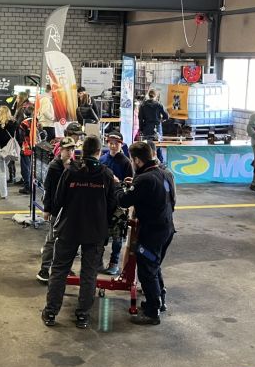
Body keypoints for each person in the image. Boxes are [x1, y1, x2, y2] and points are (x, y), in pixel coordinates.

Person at [42, 136, 118, 329]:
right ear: (99, 152)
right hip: (95, 231)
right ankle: (83, 315)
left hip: (69, 228)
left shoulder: (70, 173)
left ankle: (51, 312)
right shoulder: (106, 174)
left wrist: (50, 211)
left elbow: (58, 199)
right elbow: (112, 204)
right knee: (89, 273)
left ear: (81, 151)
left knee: (59, 270)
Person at [117, 141, 176, 325]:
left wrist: (117, 186)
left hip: (152, 232)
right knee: (155, 264)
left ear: (137, 160)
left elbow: (124, 200)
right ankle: (160, 301)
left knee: (147, 270)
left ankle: (152, 312)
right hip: (166, 228)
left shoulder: (144, 179)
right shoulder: (164, 173)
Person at [37, 136, 76, 283]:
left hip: (69, 210)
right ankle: (44, 269)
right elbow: (48, 189)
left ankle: (64, 267)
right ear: (61, 150)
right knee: (51, 240)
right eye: (67, 149)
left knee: (67, 242)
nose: (70, 152)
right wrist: (47, 209)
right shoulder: (54, 166)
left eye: (72, 149)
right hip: (56, 210)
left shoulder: (73, 165)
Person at [99, 132, 134, 275]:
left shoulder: (126, 162)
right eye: (110, 142)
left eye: (116, 143)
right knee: (100, 233)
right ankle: (97, 261)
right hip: (102, 202)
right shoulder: (102, 159)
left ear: (122, 144)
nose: (113, 145)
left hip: (119, 204)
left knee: (117, 236)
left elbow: (129, 183)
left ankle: (114, 262)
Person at [0, 105, 18, 199]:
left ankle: (3, 193)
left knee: (1, 172)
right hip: (9, 151)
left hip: (0, 150)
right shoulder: (14, 124)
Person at [17, 110, 37, 195]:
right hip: (35, 147)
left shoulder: (24, 123)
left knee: (25, 168)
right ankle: (33, 186)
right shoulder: (36, 121)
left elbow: (20, 137)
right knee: (33, 168)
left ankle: (27, 187)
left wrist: (21, 144)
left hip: (26, 148)